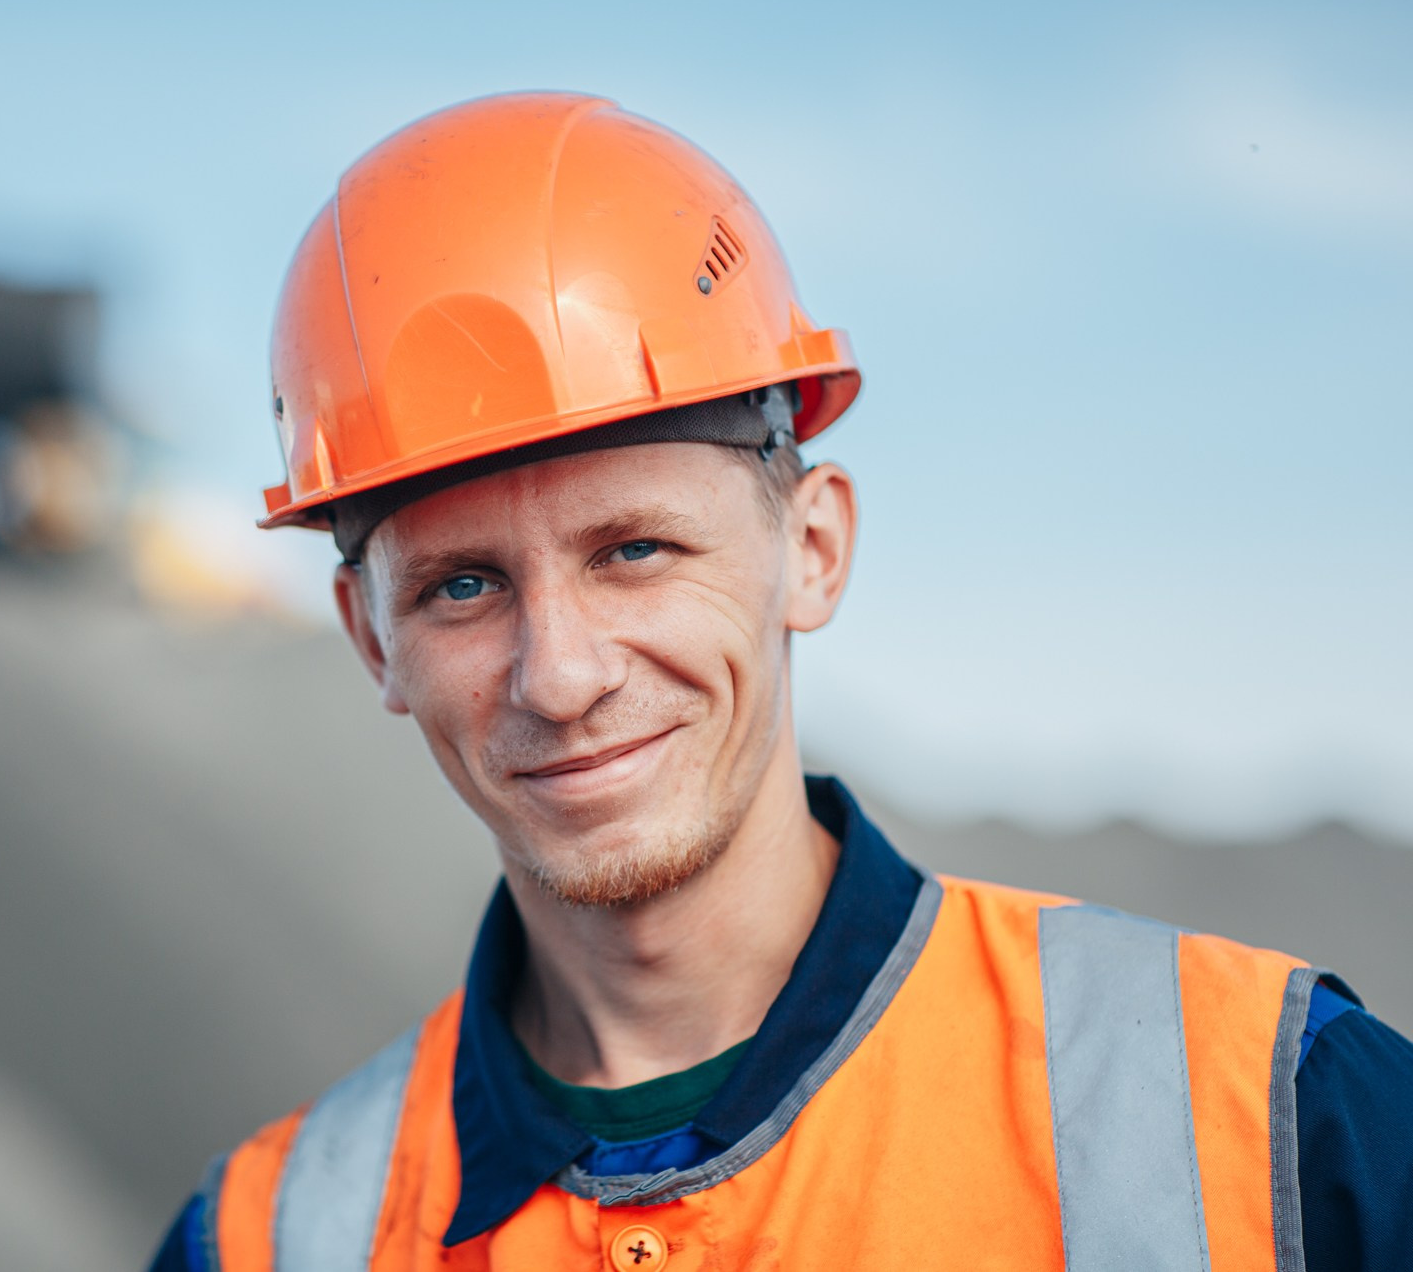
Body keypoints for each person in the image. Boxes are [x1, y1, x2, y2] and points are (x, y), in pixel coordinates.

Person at [148, 92, 1413, 1271]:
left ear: (810, 551)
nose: (562, 674)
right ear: (373, 643)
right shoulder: (266, 1236)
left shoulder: (1276, 1113)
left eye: (633, 549)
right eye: (462, 587)